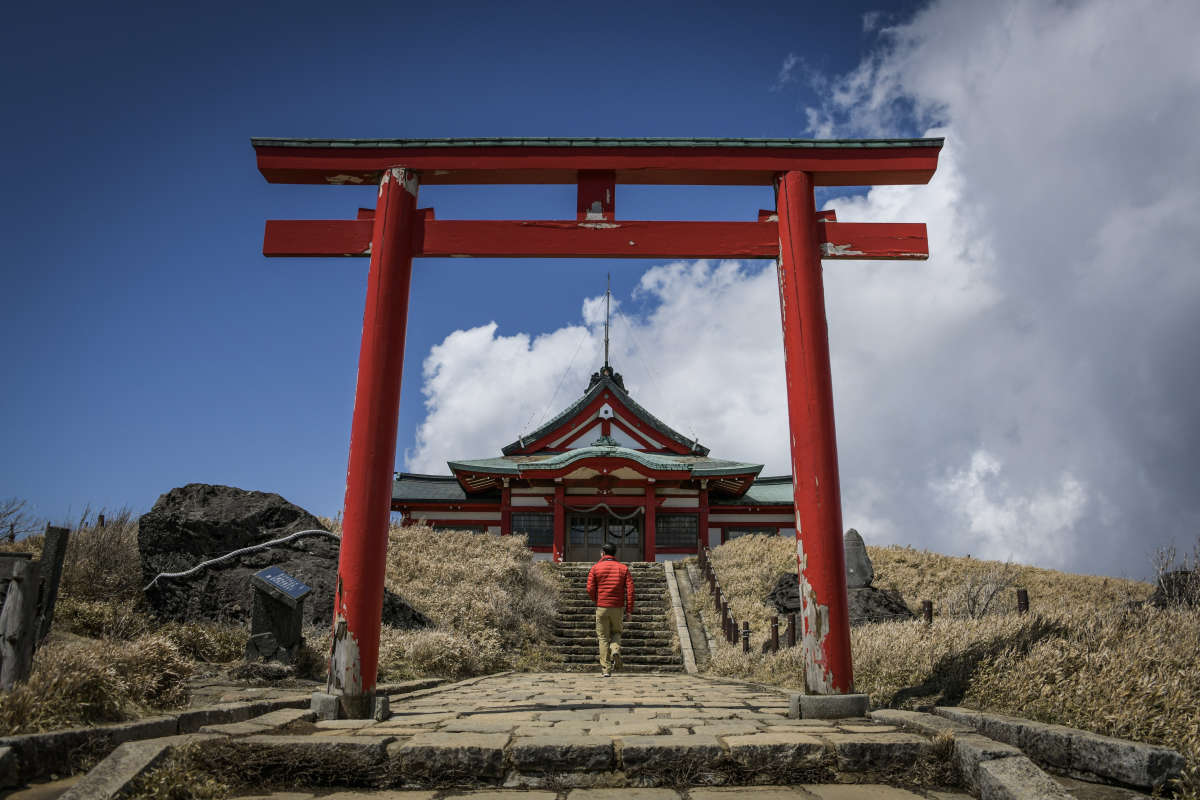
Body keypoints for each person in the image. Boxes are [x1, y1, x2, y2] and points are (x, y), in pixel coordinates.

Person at [586, 541, 635, 677]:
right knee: (617, 632)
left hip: (602, 607)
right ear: (614, 553)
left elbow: (589, 588)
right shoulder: (623, 568)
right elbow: (630, 590)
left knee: (602, 637)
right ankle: (615, 649)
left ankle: (606, 669)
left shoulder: (595, 568)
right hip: (617, 607)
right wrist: (629, 610)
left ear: (603, 553)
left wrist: (596, 599)